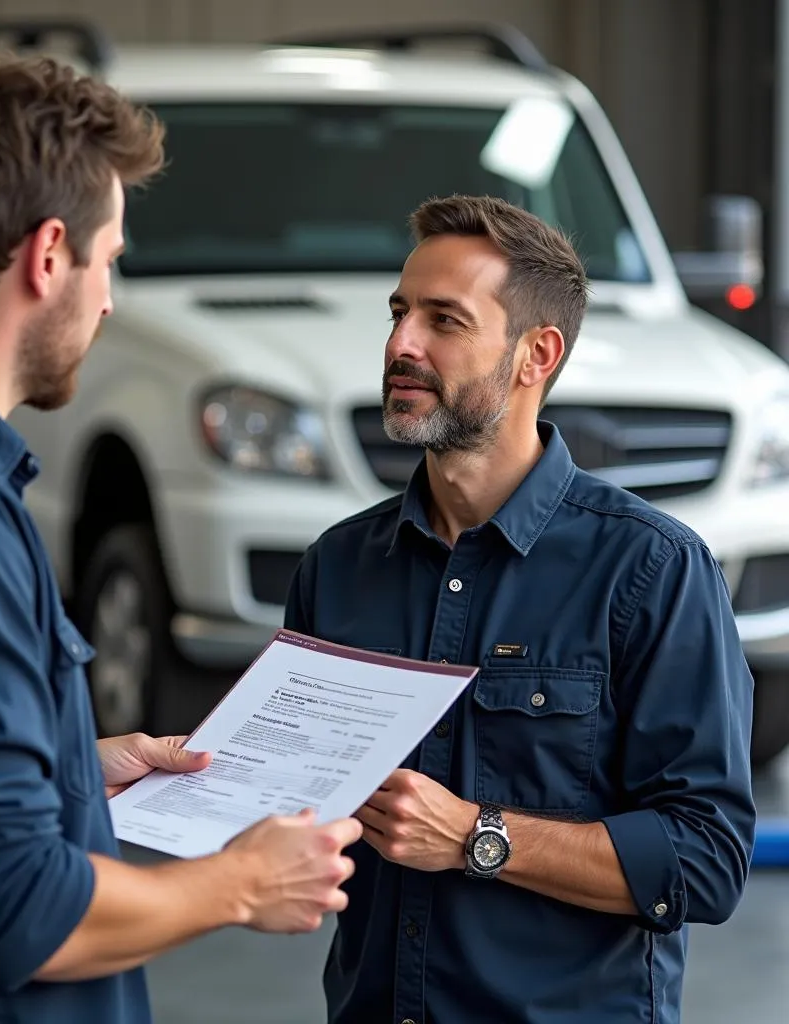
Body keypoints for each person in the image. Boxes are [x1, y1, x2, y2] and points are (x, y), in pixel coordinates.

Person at [0, 52, 363, 1024]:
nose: (110, 296)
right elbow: (15, 911)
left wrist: (70, 761)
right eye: (110, 257)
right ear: (49, 255)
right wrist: (239, 882)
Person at [284, 194, 756, 1024]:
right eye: (399, 314)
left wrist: (475, 834)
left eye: (445, 320)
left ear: (536, 354)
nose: (401, 344)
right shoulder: (338, 567)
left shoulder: (652, 570)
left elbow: (704, 861)